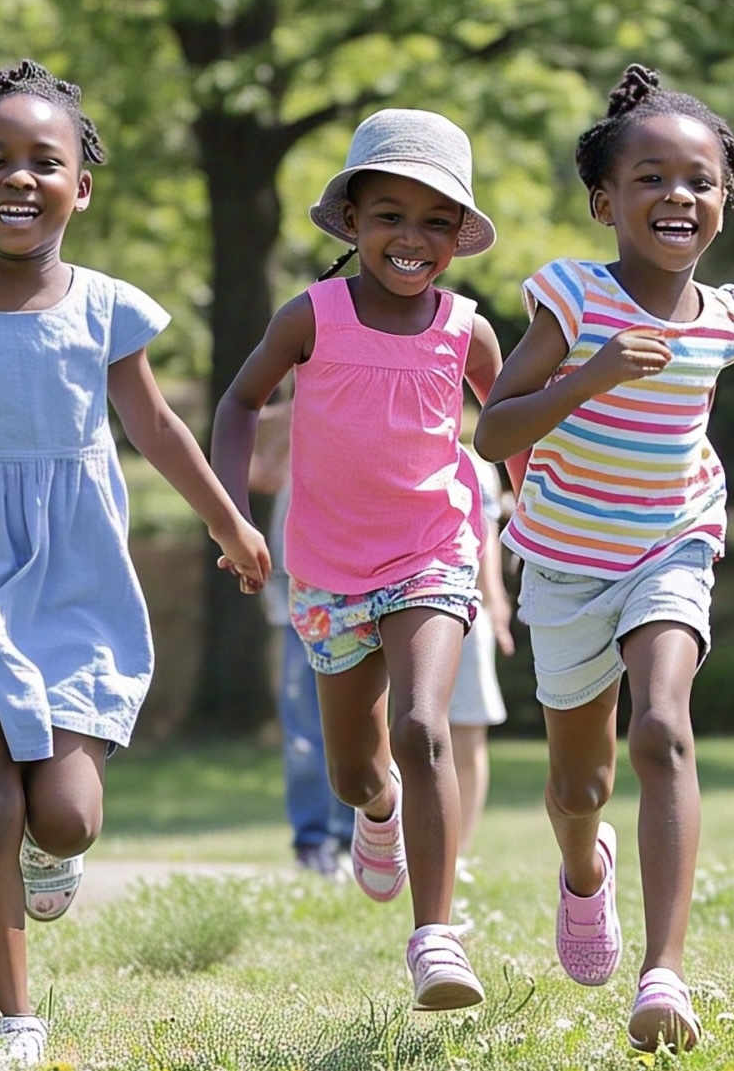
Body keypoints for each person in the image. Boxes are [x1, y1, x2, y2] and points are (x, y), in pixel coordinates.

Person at [0, 60, 269, 1066]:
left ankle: (53, 851)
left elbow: (158, 427)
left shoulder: (107, 309)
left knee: (67, 814)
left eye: (45, 161)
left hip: (71, 586)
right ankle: (13, 1019)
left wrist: (231, 522)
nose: (19, 177)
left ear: (81, 186)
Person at [212, 107, 522, 1012]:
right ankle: (376, 810)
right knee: (357, 768)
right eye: (390, 216)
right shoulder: (311, 317)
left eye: (436, 221)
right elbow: (238, 403)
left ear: (458, 236)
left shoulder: (469, 331)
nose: (412, 238)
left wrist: (539, 514)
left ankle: (436, 938)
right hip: (327, 572)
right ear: (352, 221)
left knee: (424, 726)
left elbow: (510, 430)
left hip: (433, 552)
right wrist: (232, 515)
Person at [474, 63, 734, 1054]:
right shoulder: (572, 296)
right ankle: (582, 867)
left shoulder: (728, 317)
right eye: (650, 178)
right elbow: (494, 430)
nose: (678, 195)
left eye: (699, 180)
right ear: (605, 202)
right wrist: (589, 374)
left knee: (664, 728)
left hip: (673, 542)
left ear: (724, 200)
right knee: (578, 785)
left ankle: (663, 972)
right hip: (563, 562)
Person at [250, 394, 355, 880]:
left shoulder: (359, 402)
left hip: (354, 582)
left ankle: (353, 838)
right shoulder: (288, 415)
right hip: (297, 588)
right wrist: (295, 403)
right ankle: (312, 841)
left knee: (357, 724)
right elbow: (261, 473)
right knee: (304, 731)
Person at [450, 446, 512, 864]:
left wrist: (494, 604)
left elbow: (486, 538)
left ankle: (461, 852)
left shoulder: (476, 464)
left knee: (468, 731)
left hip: (469, 607)